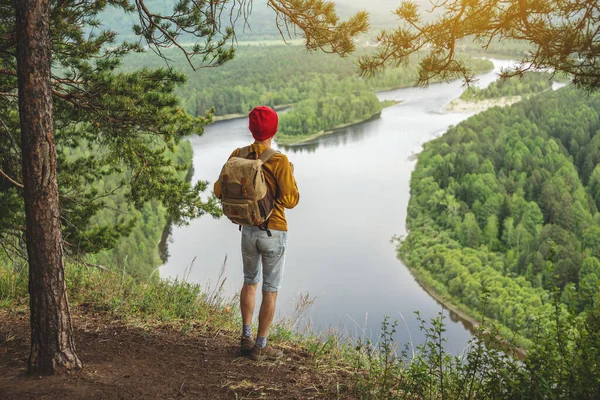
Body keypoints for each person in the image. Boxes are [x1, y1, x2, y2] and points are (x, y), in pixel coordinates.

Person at [214, 106, 300, 361]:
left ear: (252, 129)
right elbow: (291, 200)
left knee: (249, 282)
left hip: (248, 230)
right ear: (274, 129)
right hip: (274, 231)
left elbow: (219, 190)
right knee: (270, 289)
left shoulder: (237, 154)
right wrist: (290, 176)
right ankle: (261, 346)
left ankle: (245, 335)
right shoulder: (279, 160)